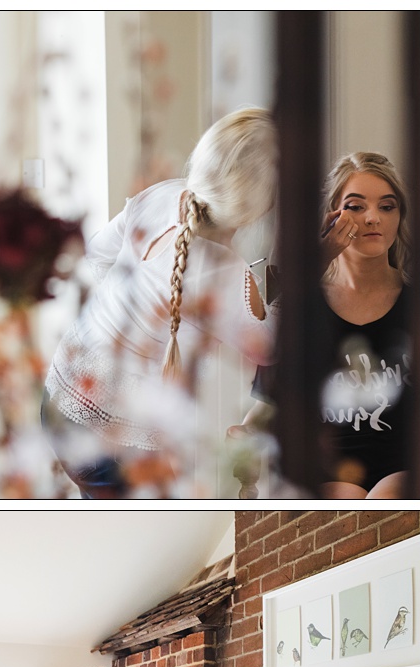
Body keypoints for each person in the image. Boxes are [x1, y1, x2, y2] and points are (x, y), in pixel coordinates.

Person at [43, 108, 278, 499]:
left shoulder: (164, 194)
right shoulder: (231, 275)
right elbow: (270, 349)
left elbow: (98, 255)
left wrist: (132, 319)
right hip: (117, 444)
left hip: (60, 396)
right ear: (262, 205)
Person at [249, 151, 413, 499]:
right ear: (331, 216)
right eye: (355, 206)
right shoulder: (306, 306)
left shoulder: (414, 303)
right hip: (329, 471)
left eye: (387, 206)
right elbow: (268, 391)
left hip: (403, 467)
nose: (373, 218)